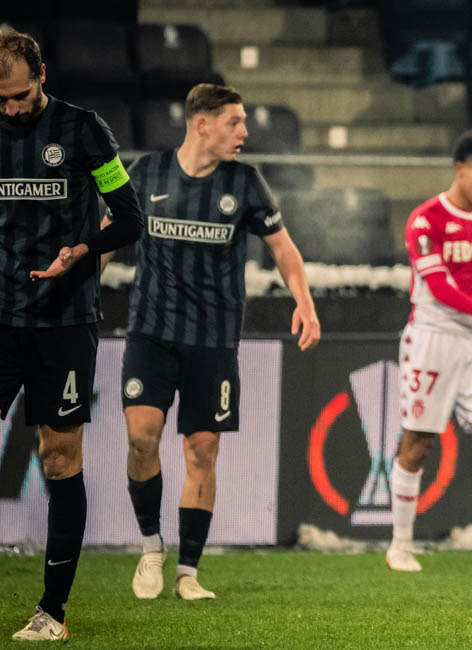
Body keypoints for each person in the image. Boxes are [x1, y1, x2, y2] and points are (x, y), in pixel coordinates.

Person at [110, 83, 321, 602]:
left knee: (202, 451)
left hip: (214, 340)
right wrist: (82, 294)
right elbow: (107, 235)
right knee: (142, 438)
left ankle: (188, 573)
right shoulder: (147, 172)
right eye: (234, 122)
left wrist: (304, 301)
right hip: (151, 333)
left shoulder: (245, 182)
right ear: (202, 124)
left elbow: (283, 248)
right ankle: (151, 545)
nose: (244, 132)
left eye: (244, 121)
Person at [1, 27, 145, 641]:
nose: (10, 109)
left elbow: (131, 220)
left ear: (41, 76)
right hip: (0, 317)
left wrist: (82, 249)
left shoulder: (84, 130)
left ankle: (52, 612)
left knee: (58, 458)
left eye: (19, 96)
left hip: (64, 321)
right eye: (0, 100)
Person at [388, 129, 472, 573]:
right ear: (460, 169)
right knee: (417, 443)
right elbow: (440, 287)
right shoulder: (425, 220)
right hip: (432, 338)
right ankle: (400, 544)